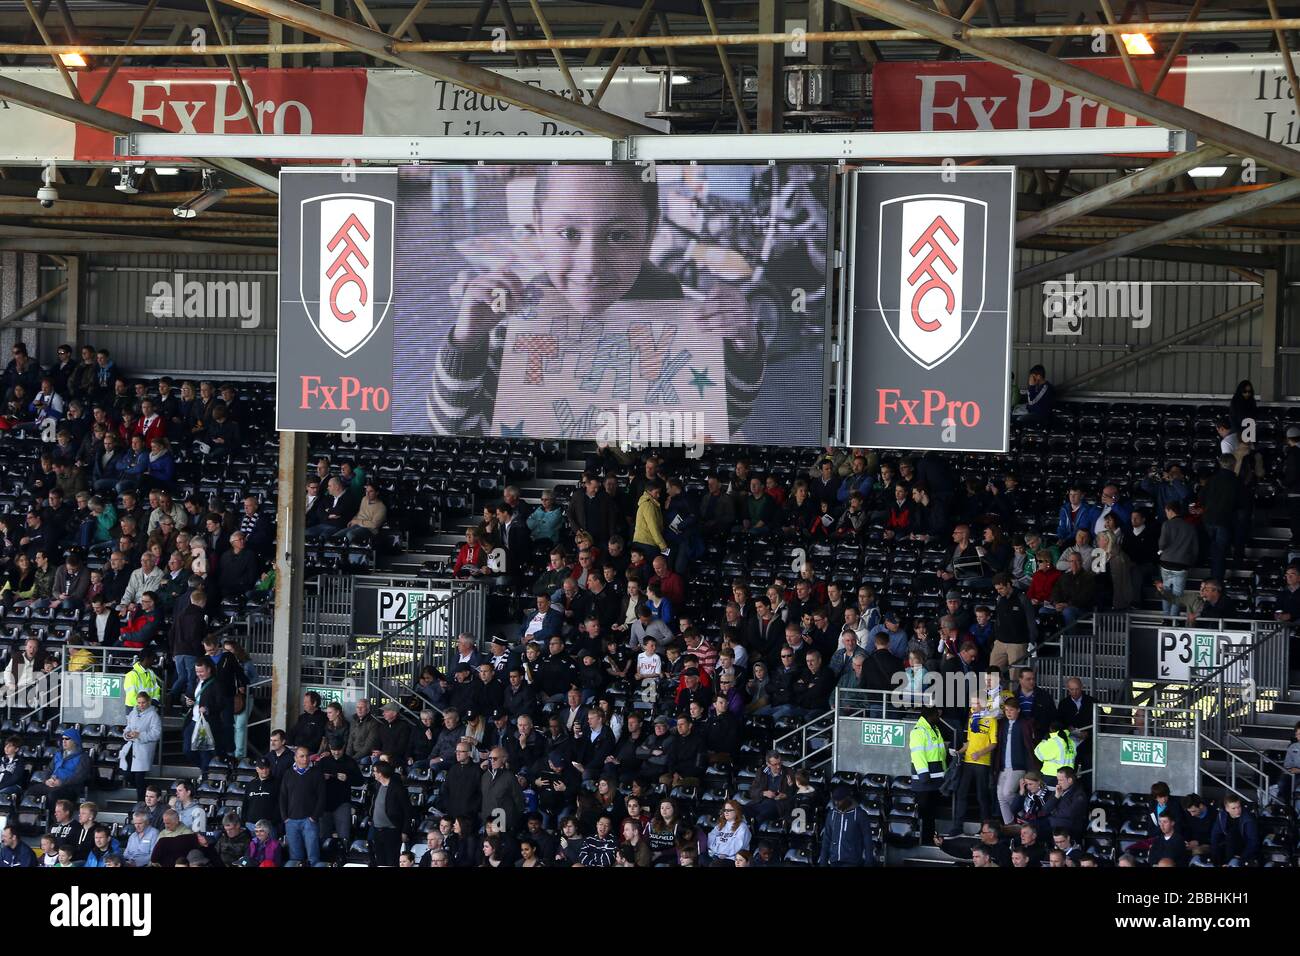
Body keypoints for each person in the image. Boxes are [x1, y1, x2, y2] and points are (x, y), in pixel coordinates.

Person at [280, 746, 325, 867]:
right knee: (295, 859)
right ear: (295, 758)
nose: (305, 759)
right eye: (301, 756)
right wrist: (285, 818)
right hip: (291, 822)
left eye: (307, 755)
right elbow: (283, 797)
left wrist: (314, 817)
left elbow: (322, 798)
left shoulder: (316, 773)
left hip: (309, 821)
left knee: (313, 857)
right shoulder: (288, 773)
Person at [25, 728, 90, 810]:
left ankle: (52, 819)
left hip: (69, 788)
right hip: (53, 784)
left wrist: (61, 782)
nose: (64, 741)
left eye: (67, 739)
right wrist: (47, 780)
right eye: (62, 739)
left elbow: (79, 777)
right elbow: (49, 769)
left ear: (75, 741)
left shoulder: (83, 757)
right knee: (31, 791)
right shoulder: (58, 754)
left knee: (53, 795)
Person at [909, 706, 948, 844]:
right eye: (937, 715)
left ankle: (931, 838)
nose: (939, 718)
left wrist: (945, 774)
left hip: (935, 781)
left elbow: (941, 755)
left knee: (931, 814)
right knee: (925, 815)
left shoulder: (934, 729)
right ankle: (925, 840)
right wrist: (924, 775)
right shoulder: (918, 732)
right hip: (924, 782)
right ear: (930, 716)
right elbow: (918, 755)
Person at [367, 760, 412, 867]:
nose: (373, 774)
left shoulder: (398, 788)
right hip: (377, 830)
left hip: (392, 831)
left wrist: (405, 831)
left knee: (392, 861)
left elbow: (408, 811)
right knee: (380, 862)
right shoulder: (378, 786)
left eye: (374, 771)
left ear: (380, 773)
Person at [119, 691, 161, 803]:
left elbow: (156, 733)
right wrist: (127, 734)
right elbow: (128, 727)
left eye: (143, 702)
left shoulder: (153, 715)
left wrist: (140, 735)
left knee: (139, 778)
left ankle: (141, 801)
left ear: (148, 702)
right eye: (139, 703)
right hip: (132, 746)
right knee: (127, 774)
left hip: (143, 749)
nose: (141, 705)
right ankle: (146, 793)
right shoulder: (133, 713)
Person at [819, 784, 876, 866]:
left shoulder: (860, 814)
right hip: (834, 860)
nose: (836, 803)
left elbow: (867, 839)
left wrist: (869, 861)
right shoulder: (831, 814)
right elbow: (826, 839)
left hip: (852, 861)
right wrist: (823, 861)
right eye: (834, 800)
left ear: (847, 799)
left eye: (839, 800)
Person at [1210, 794, 1260, 867]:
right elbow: (1215, 835)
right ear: (1227, 809)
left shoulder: (1248, 819)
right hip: (1229, 846)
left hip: (1244, 846)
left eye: (1239, 807)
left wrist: (1243, 857)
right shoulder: (1222, 816)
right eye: (1234, 808)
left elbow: (1253, 841)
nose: (1237, 810)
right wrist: (1214, 855)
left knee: (1230, 836)